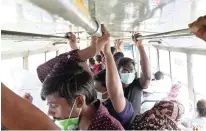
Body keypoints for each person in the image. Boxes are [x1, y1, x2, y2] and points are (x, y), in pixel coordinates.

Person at [40, 60, 124, 130]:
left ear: (79, 101)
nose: (49, 113)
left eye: (54, 106)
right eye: (49, 105)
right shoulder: (75, 122)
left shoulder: (110, 127)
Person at [37, 25, 109, 83]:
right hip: (49, 74)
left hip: (47, 73)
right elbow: (91, 52)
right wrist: (99, 35)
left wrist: (98, 34)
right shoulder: (71, 64)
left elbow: (91, 52)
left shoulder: (67, 63)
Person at [94, 40, 134, 129]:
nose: (95, 93)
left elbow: (116, 94)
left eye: (97, 90)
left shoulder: (122, 108)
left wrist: (108, 53)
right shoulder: (104, 103)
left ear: (109, 90)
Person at [117, 35, 151, 115]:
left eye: (131, 70)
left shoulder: (137, 85)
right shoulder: (114, 87)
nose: (128, 73)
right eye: (125, 71)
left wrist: (140, 46)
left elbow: (147, 76)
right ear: (118, 72)